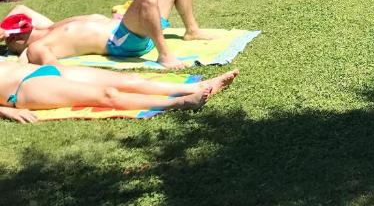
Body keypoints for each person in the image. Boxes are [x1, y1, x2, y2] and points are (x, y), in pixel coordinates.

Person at [2, 0, 215, 69]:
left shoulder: (49, 27)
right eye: (15, 33)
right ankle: (165, 54)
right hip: (123, 41)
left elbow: (20, 8)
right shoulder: (39, 46)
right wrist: (19, 56)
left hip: (135, 25)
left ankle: (192, 30)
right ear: (17, 44)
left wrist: (4, 30)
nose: (20, 26)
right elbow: (54, 69)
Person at [0, 60, 237, 122]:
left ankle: (193, 87)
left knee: (130, 79)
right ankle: (183, 103)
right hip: (25, 89)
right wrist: (5, 111)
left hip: (41, 71)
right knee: (108, 95)